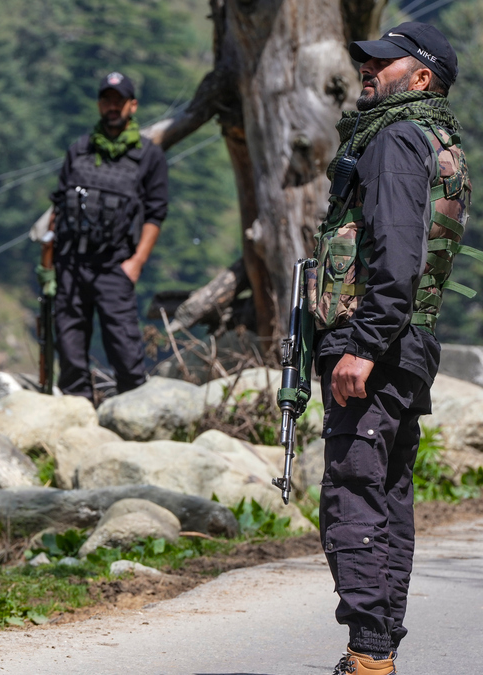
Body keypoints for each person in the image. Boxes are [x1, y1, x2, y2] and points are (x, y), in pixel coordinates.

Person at [310, 22, 474, 675]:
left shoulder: (395, 140)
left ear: (423, 77)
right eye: (367, 60)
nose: (368, 70)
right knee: (386, 495)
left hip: (372, 342)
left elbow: (398, 255)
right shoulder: (436, 142)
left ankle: (371, 651)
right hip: (409, 341)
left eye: (385, 62)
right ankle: (377, 649)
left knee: (353, 492)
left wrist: (365, 345)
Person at [43, 71, 168, 402]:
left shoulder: (148, 155)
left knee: (126, 352)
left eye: (119, 101)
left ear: (132, 105)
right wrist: (49, 265)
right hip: (70, 264)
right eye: (106, 101)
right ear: (100, 105)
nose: (112, 107)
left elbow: (156, 213)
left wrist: (137, 262)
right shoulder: (80, 149)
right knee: (70, 352)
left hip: (115, 266)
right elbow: (58, 207)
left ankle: (132, 421)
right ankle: (77, 418)